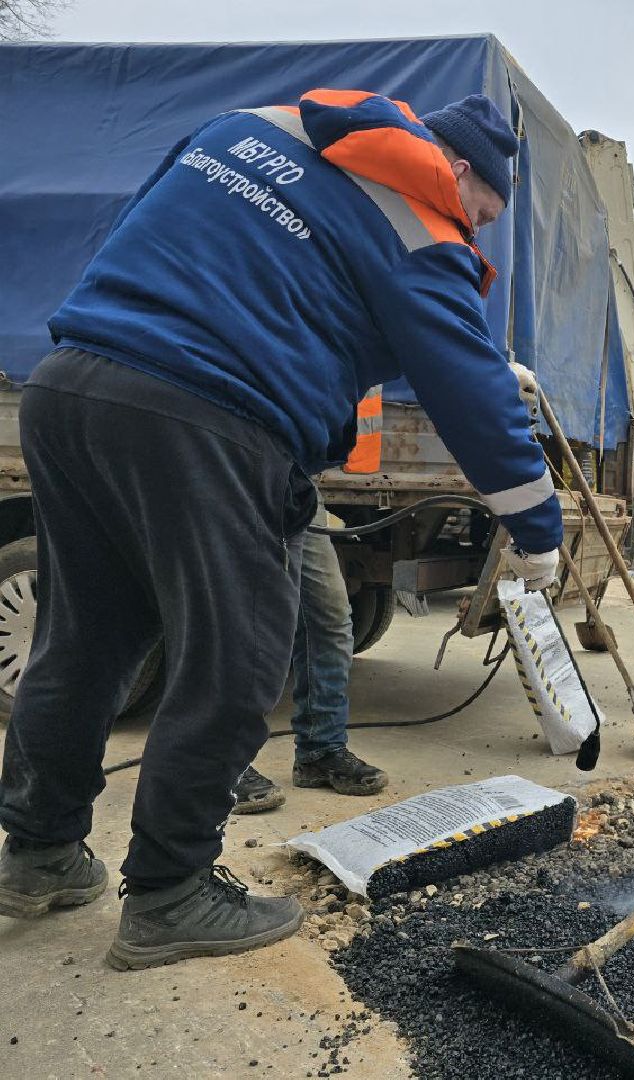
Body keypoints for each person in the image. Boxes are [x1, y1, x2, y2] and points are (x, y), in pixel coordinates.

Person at [0, 90, 562, 968]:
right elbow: (472, 397)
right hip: (202, 416)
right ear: (457, 172)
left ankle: (38, 855)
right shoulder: (423, 227)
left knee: (85, 641)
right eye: (481, 213)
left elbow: (199, 241)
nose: (475, 235)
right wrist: (538, 529)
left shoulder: (257, 126)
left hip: (73, 383)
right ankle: (170, 894)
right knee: (240, 656)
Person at [230, 496, 386, 815]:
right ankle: (223, 763)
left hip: (297, 486)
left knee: (328, 617)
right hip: (233, 476)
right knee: (237, 621)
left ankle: (320, 751)